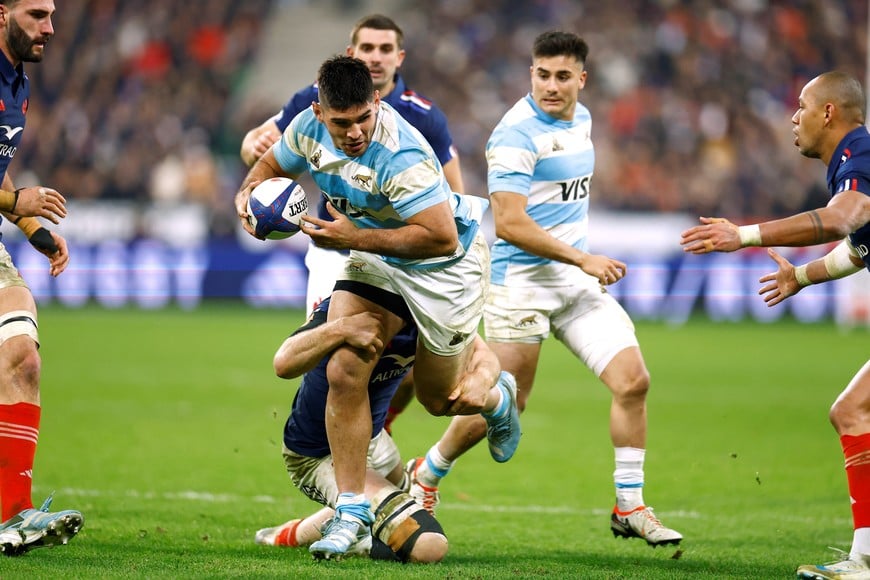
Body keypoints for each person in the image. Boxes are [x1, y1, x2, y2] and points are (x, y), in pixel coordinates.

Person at [234, 55, 521, 560]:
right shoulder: (306, 128)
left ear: (377, 104)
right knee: (346, 365)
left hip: (446, 267)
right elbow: (271, 164)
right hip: (376, 256)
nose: (354, 132)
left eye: (363, 118)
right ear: (321, 114)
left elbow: (439, 237)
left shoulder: (402, 153)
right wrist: (247, 192)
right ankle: (350, 511)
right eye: (341, 123)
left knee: (440, 399)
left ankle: (497, 399)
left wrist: (355, 235)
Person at [404, 30, 683, 547]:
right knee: (510, 403)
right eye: (541, 74)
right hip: (520, 285)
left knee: (633, 382)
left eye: (561, 76)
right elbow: (509, 223)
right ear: (530, 72)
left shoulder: (584, 119)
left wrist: (579, 263)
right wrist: (583, 256)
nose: (550, 86)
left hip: (574, 283)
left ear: (582, 78)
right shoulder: (515, 135)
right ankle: (427, 472)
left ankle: (630, 505)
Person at [681, 70, 870, 579]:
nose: (794, 115)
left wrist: (742, 235)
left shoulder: (861, 157)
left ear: (828, 113)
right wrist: (803, 278)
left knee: (854, 412)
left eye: (803, 105)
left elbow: (842, 220)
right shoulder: (853, 162)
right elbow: (861, 245)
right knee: (853, 412)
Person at [240, 13, 465, 316]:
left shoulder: (423, 116)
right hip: (334, 248)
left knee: (393, 355)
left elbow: (454, 192)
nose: (375, 57)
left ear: (399, 58)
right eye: (367, 48)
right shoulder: (315, 97)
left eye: (385, 50)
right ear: (352, 54)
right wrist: (251, 171)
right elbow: (260, 150)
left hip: (401, 252)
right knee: (325, 348)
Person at [254, 296, 451, 563]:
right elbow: (284, 362)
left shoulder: (435, 307)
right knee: (428, 546)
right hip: (321, 455)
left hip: (374, 439)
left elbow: (475, 365)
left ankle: (295, 533)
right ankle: (365, 537)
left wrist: (495, 398)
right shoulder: (356, 302)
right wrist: (341, 328)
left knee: (399, 497)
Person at [0, 0, 83, 557]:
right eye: (36, 14)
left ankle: (12, 515)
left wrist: (30, 223)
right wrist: (16, 200)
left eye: (51, 14)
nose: (49, 27)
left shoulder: (17, 83)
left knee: (22, 355)